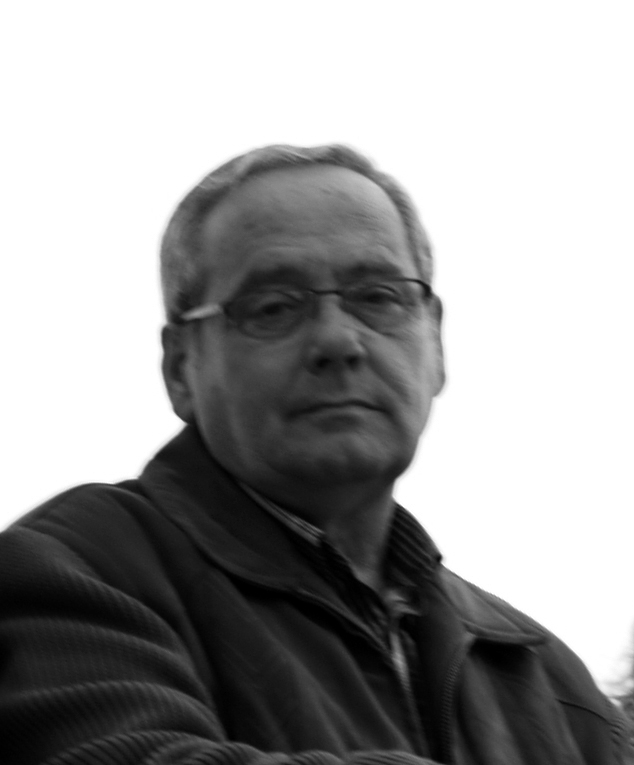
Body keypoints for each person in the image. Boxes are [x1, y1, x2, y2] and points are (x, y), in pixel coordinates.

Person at [0, 144, 627, 765]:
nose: (337, 340)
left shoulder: (551, 682)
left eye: (378, 296)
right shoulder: (72, 571)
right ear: (180, 368)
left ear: (435, 342)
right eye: (274, 307)